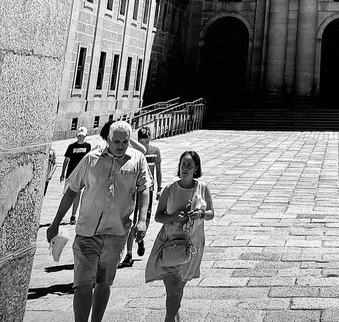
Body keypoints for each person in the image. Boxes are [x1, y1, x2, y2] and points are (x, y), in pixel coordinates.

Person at [46, 120, 151, 322]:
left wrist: (142, 220)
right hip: (87, 232)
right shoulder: (91, 159)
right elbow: (72, 191)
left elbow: (144, 189)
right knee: (83, 283)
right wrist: (56, 221)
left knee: (104, 282)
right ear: (108, 139)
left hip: (116, 232)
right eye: (116, 141)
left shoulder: (137, 159)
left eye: (125, 141)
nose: (121, 146)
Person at [146, 150, 214, 322]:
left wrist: (201, 214)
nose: (185, 168)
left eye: (189, 165)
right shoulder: (169, 189)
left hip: (192, 244)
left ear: (196, 168)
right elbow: (158, 216)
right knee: (173, 289)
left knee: (178, 289)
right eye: (183, 164)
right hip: (170, 244)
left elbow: (211, 213)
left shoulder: (203, 188)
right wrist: (173, 218)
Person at [120, 126, 163, 267]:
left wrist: (159, 188)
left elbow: (158, 171)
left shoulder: (155, 151)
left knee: (145, 218)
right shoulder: (134, 151)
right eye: (142, 140)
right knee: (132, 218)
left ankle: (140, 238)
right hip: (134, 189)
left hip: (148, 188)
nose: (144, 143)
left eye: (146, 140)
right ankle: (129, 253)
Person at [60, 125, 92, 224]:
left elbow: (89, 160)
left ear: (85, 136)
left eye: (82, 136)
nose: (80, 137)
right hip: (70, 173)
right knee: (66, 194)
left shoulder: (88, 146)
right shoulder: (71, 146)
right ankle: (61, 215)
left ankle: (73, 216)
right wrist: (62, 173)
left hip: (81, 174)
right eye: (79, 136)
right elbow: (66, 159)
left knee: (77, 194)